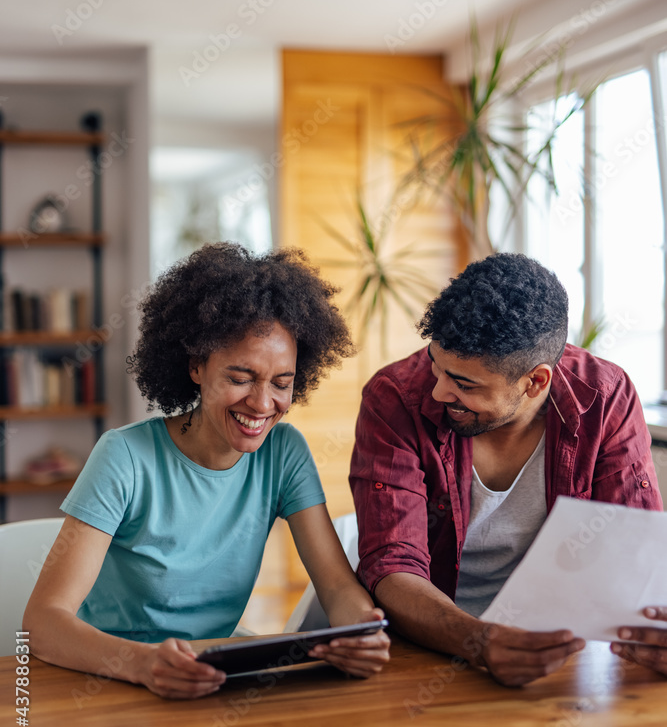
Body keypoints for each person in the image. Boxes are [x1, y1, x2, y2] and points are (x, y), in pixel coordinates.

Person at [25, 243, 390, 699]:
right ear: (196, 366)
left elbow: (336, 585)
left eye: (282, 383)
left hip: (209, 677)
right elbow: (42, 623)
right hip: (109, 679)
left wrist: (361, 630)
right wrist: (142, 664)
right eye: (240, 379)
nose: (262, 404)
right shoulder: (125, 457)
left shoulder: (284, 453)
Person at [350, 252, 663, 687]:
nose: (438, 391)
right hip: (428, 648)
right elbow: (393, 565)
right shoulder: (395, 398)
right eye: (436, 365)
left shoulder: (605, 396)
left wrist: (654, 631)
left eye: (464, 383)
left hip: (566, 652)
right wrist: (477, 640)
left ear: (535, 381)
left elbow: (634, 547)